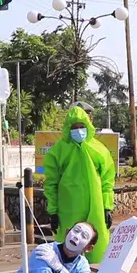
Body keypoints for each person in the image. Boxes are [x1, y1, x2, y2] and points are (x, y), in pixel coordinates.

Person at [44, 106, 116, 263]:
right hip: (68, 209)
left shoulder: (99, 149)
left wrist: (107, 207)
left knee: (97, 248)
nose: (78, 130)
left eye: (81, 126)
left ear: (88, 127)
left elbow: (107, 181)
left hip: (95, 208)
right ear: (67, 129)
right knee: (68, 248)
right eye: (74, 127)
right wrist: (53, 211)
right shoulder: (58, 151)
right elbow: (51, 184)